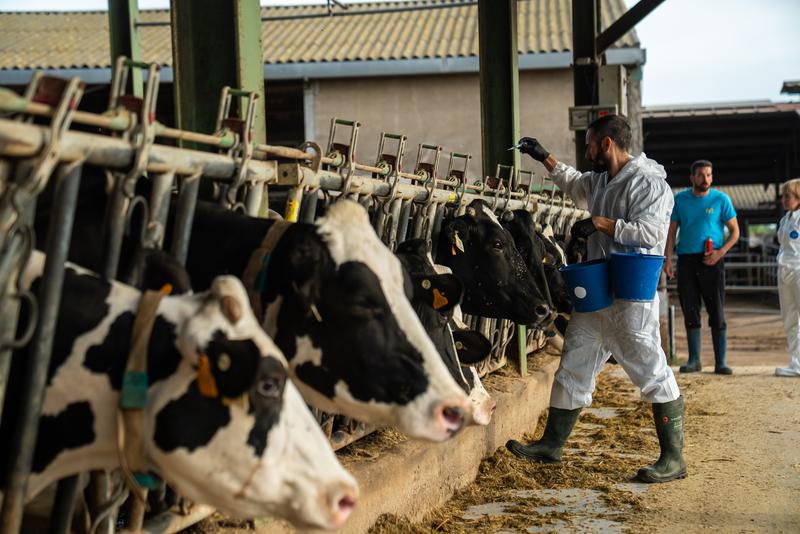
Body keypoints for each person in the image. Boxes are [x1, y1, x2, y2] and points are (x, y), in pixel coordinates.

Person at [506, 115, 685, 483]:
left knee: (650, 370)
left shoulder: (648, 182)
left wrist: (601, 224)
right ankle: (552, 444)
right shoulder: (601, 180)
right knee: (574, 362)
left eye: (589, 144)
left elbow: (651, 233)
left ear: (607, 144)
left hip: (631, 297)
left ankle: (673, 458)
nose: (586, 151)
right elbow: (573, 182)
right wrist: (543, 156)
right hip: (598, 290)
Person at [664, 160, 739, 375]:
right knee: (690, 309)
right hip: (687, 260)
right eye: (700, 175)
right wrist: (668, 260)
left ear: (712, 177)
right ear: (692, 178)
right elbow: (671, 233)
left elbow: (735, 232)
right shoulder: (680, 200)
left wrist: (720, 252)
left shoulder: (721, 199)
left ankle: (720, 362)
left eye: (708, 175)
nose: (705, 179)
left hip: (712, 260)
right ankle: (694, 360)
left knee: (716, 310)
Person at [775, 178, 800, 377]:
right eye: (783, 196)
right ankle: (796, 362)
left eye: (788, 196)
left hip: (799, 269)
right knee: (789, 317)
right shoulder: (785, 220)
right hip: (784, 271)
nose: (784, 199)